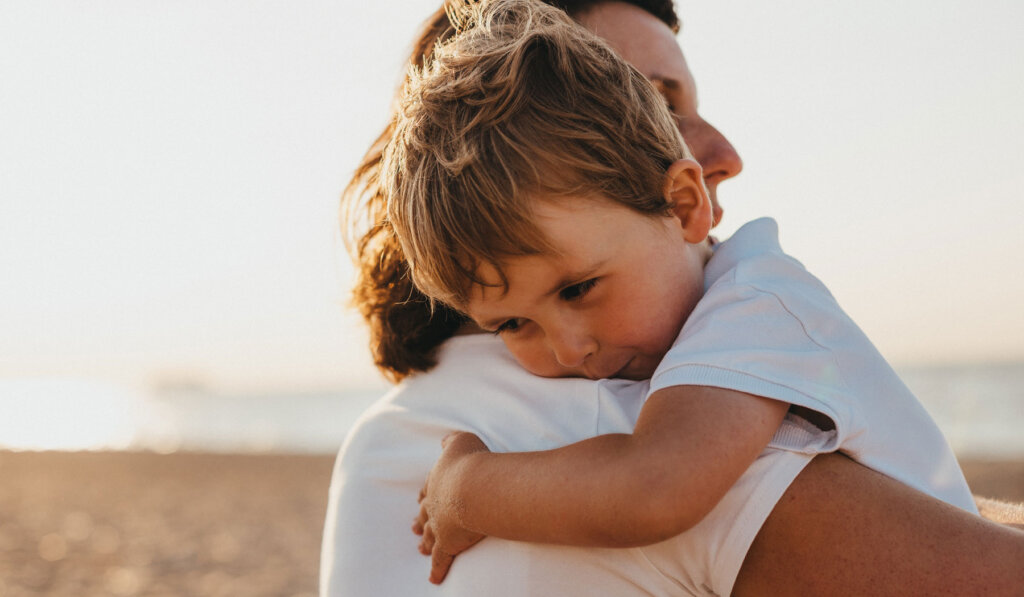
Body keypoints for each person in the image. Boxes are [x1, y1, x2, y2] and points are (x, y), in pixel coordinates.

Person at [321, 2, 1024, 596]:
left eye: (579, 289)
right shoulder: (598, 413)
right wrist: (467, 485)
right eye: (653, 101)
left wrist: (468, 486)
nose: (568, 349)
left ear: (680, 201)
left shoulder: (399, 430)